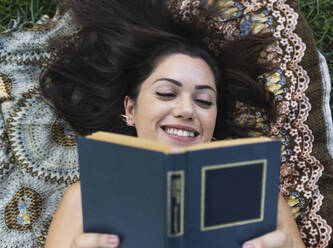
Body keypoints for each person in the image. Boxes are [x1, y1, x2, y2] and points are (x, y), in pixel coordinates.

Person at [42, 0, 305, 247]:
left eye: (203, 101)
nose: (187, 110)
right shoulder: (84, 200)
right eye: (167, 93)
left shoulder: (260, 199)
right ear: (130, 109)